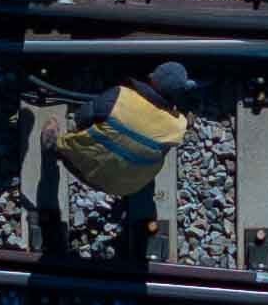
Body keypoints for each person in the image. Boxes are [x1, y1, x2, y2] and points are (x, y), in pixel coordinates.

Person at [52, 61, 197, 214]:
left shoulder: (120, 95)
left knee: (58, 130)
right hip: (123, 188)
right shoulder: (177, 125)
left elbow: (80, 118)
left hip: (77, 165)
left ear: (151, 77)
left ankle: (52, 148)